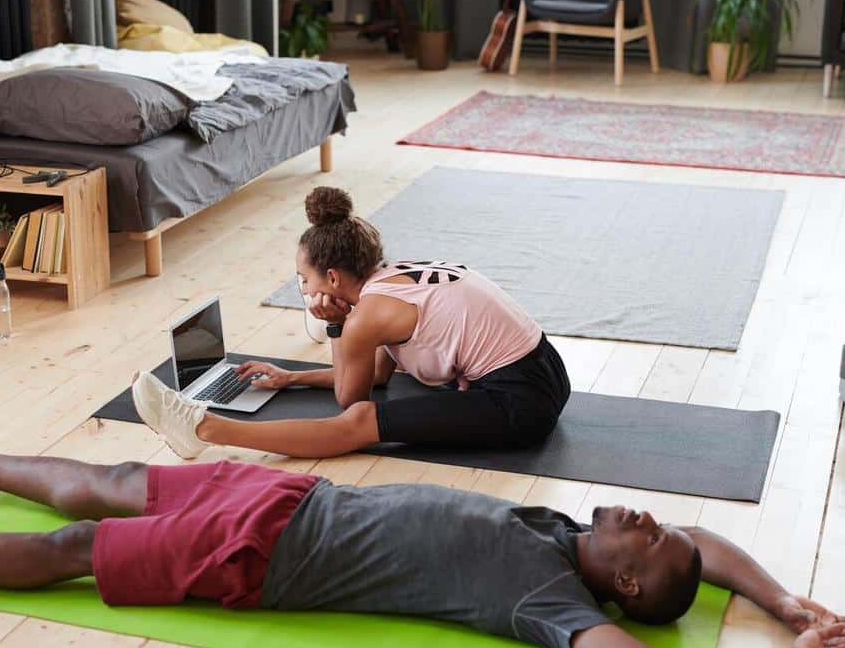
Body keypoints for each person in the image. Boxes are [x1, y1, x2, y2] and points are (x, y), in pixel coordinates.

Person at [0, 388, 845, 648]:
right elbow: (708, 548)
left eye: (645, 533)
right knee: (116, 479)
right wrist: (788, 601)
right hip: (285, 496)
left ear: (629, 582)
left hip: (266, 562)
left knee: (83, 541)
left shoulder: (554, 602)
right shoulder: (570, 536)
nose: (640, 513)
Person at [130, 186, 572, 459]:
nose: (304, 288)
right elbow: (379, 375)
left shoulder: (366, 317)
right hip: (548, 370)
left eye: (304, 279)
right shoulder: (392, 280)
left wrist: (337, 327)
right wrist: (292, 378)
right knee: (389, 403)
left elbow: (351, 400)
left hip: (521, 403)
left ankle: (202, 428)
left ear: (333, 278)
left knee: (359, 424)